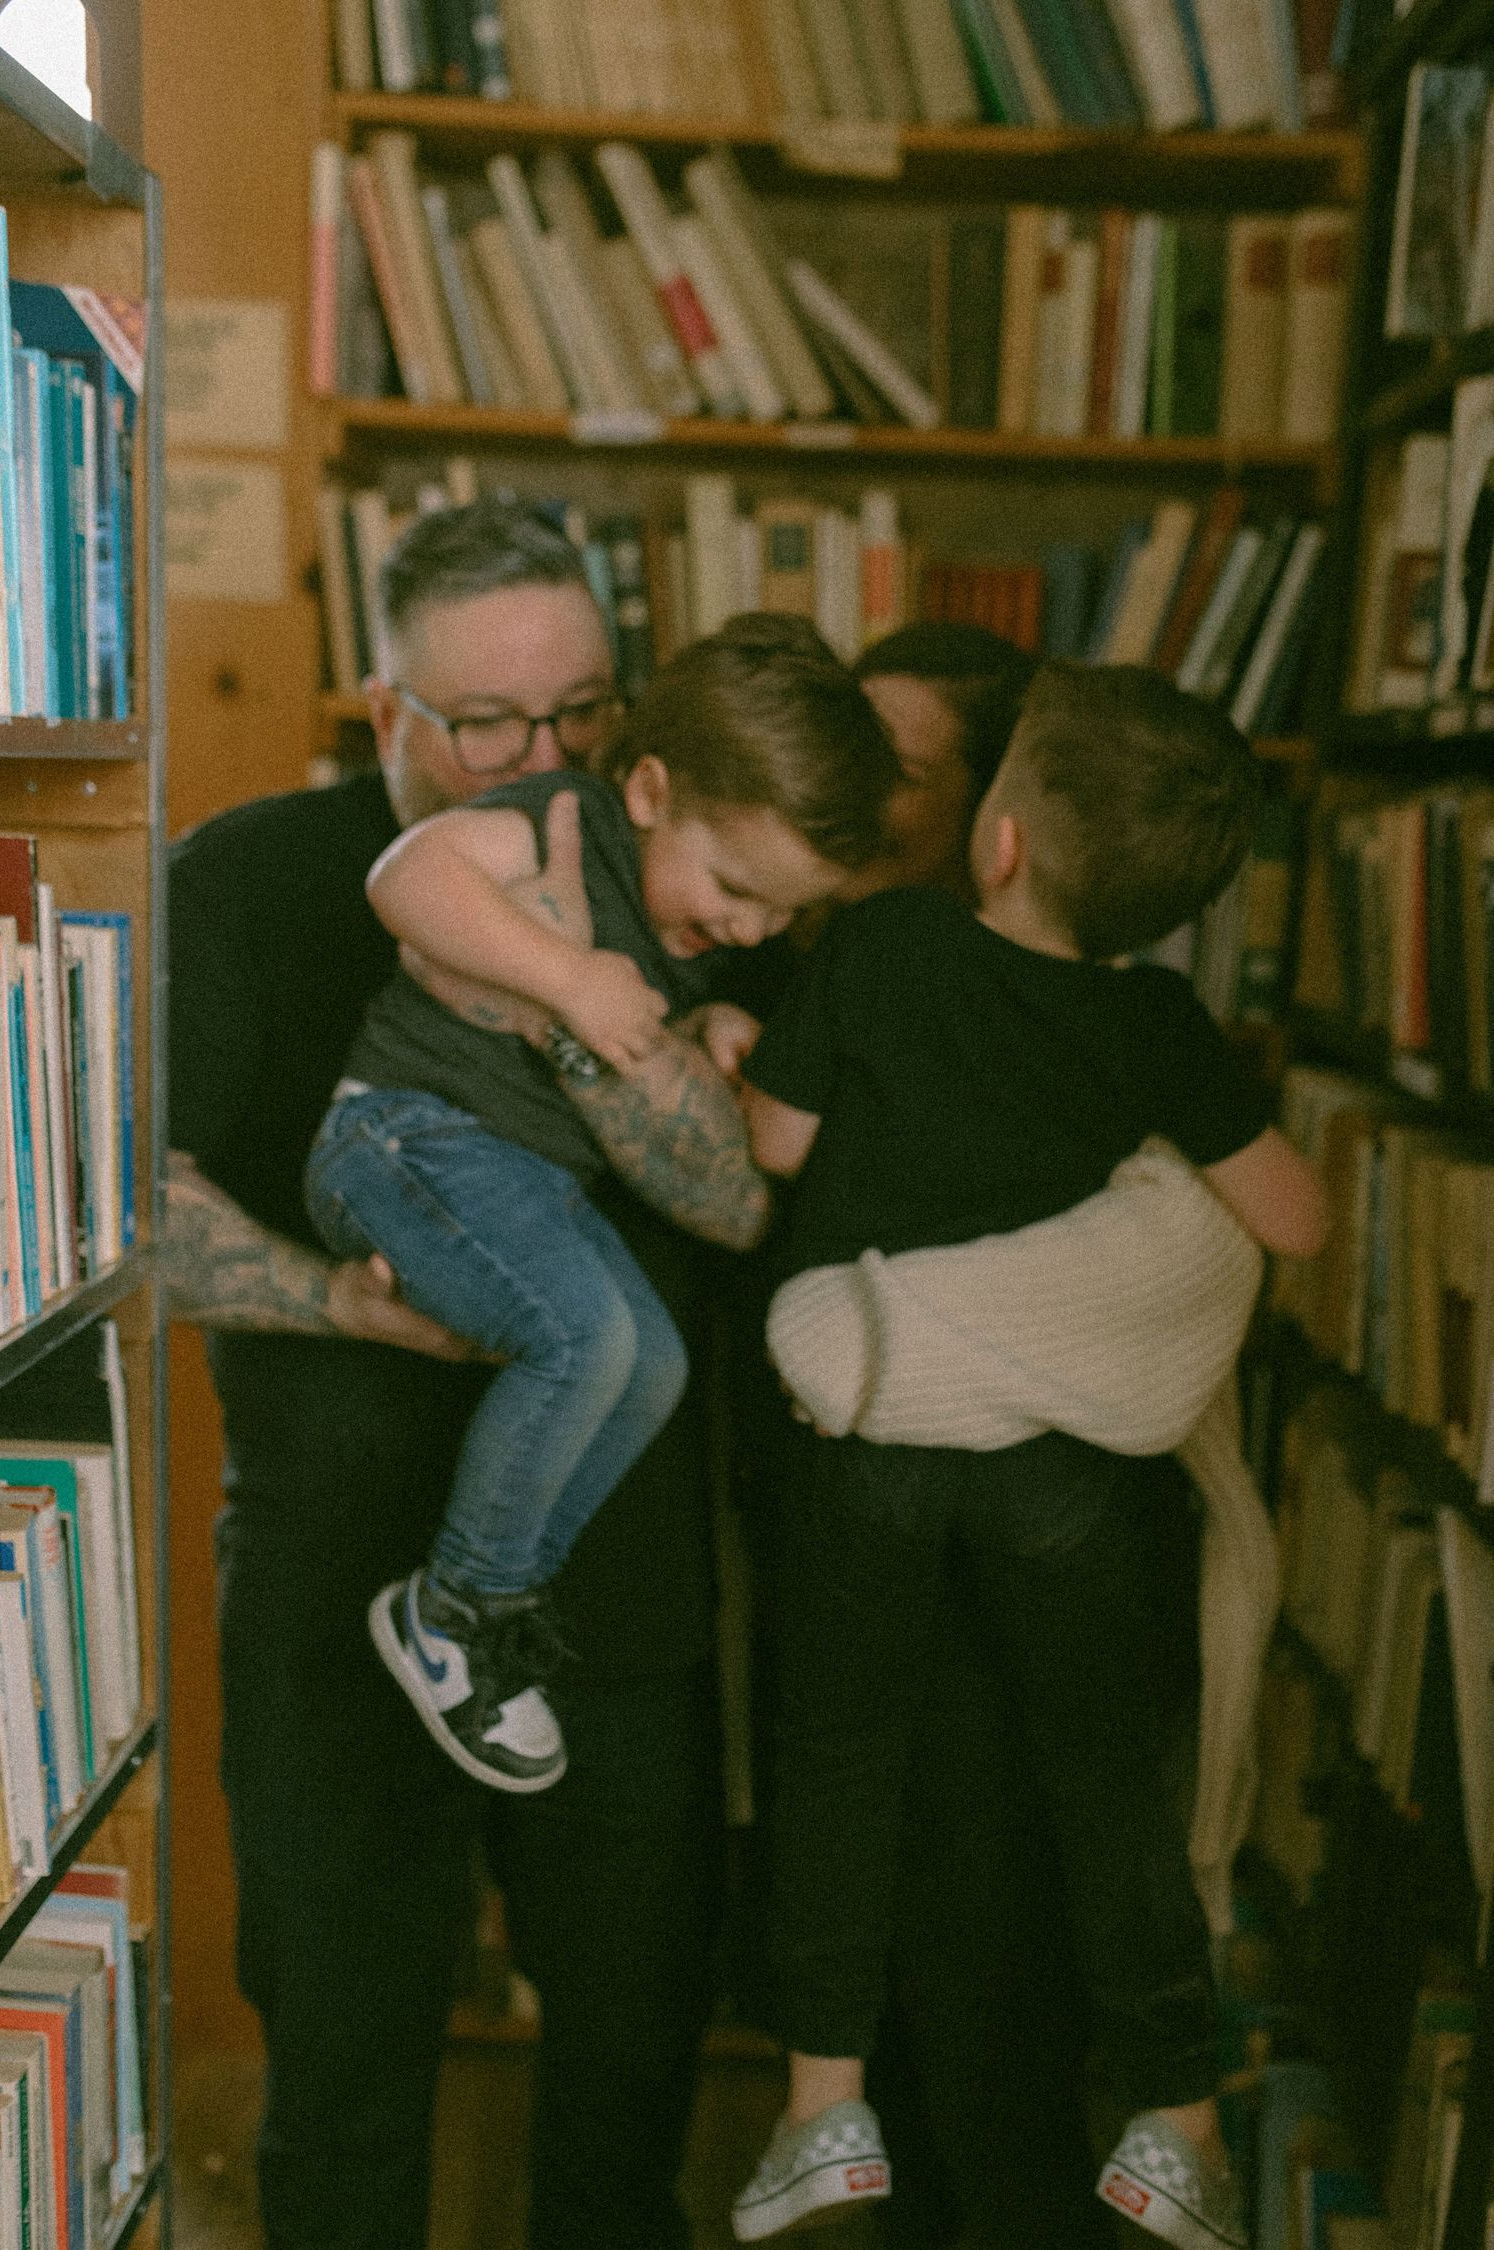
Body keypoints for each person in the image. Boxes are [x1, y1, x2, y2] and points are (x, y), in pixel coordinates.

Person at [165, 499, 822, 2250]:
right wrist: (341, 1302)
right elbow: (108, 1227)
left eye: (583, 715)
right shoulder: (245, 877)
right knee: (346, 2095)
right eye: (487, 725)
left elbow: (734, 1197)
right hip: (331, 1583)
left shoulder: (684, 873)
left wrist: (557, 987)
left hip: (622, 1610)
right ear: (386, 710)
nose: (542, 758)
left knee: (625, 2095)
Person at [730, 664, 1327, 2249]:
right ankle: (1179, 2124)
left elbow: (771, 1150)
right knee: (1107, 1782)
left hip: (868, 1448)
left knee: (837, 1768)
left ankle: (820, 2116)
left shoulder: (878, 942)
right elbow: (1297, 1220)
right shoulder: (1157, 1021)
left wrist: (752, 1053)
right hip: (1061, 1474)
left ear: (995, 838)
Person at [302, 613, 897, 1791]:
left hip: (515, 1173)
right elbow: (406, 876)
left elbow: (648, 1029)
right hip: (400, 1134)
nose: (749, 928)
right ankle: (457, 1613)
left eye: (784, 914)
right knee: (588, 1339)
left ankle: (489, 1607)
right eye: (735, 888)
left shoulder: (703, 924)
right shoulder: (560, 818)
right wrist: (569, 980)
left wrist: (702, 1026)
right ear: (650, 787)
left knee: (653, 1363)